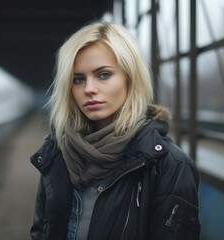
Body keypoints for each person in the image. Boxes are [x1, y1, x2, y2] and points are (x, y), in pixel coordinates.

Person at [30, 21, 200, 240]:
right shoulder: (58, 151)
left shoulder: (168, 165)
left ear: (130, 78)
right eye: (78, 79)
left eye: (103, 75)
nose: (89, 89)